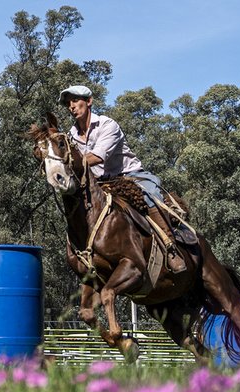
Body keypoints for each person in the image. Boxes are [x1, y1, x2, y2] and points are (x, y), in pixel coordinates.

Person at [58, 84, 186, 272]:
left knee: (151, 193)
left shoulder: (107, 125)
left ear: (89, 101)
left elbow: (98, 157)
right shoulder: (71, 135)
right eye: (68, 104)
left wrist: (67, 163)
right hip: (100, 183)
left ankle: (170, 247)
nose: (72, 106)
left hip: (129, 176)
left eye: (76, 101)